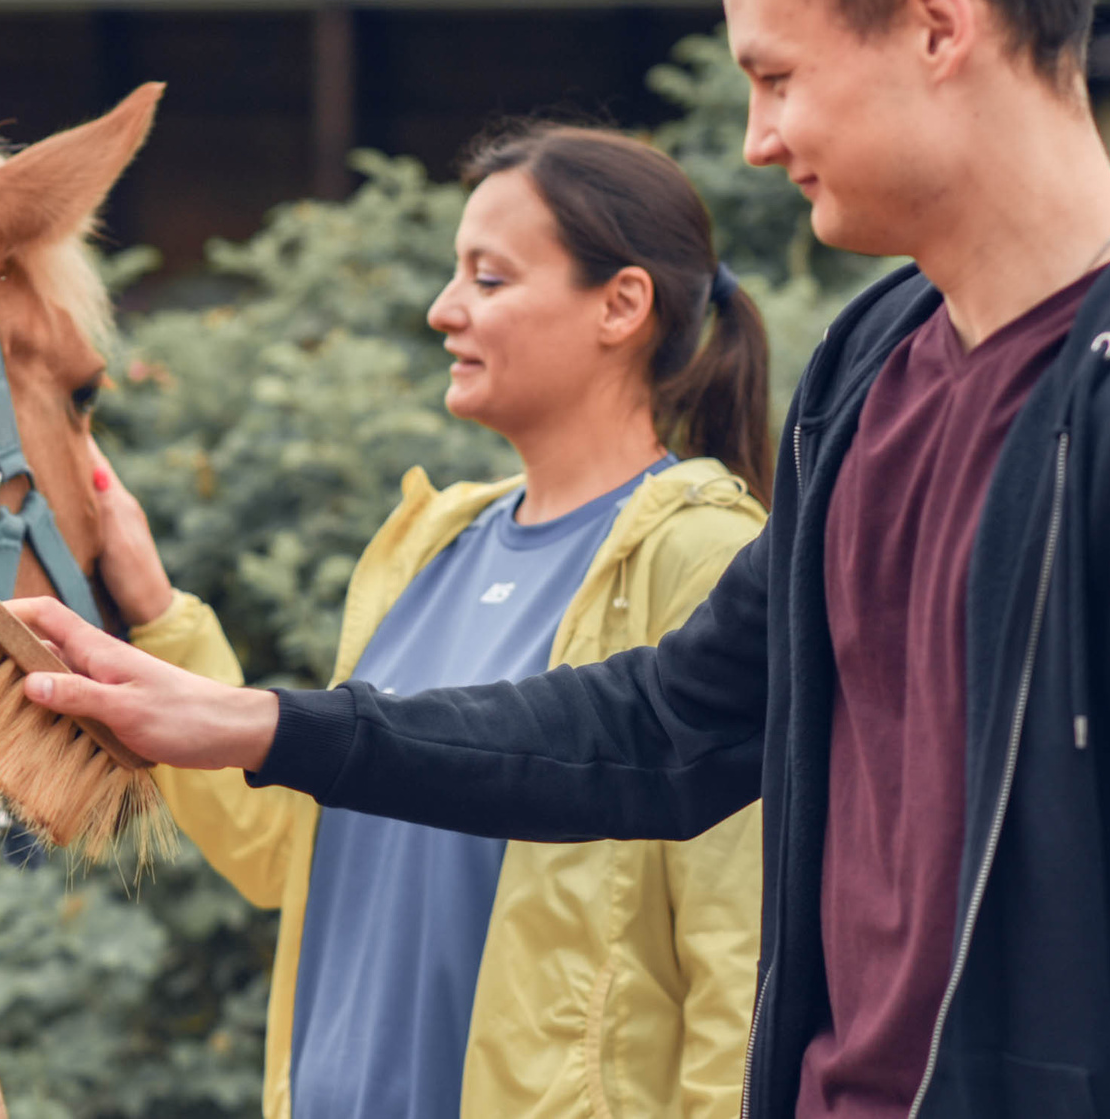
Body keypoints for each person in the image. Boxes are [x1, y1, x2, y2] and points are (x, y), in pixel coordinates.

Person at [23, 0, 1110, 1119]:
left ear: (936, 24)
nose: (757, 139)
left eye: (776, 76)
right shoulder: (872, 372)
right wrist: (258, 725)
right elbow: (666, 726)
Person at [89, 123, 772, 1119]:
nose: (443, 308)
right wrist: (156, 612)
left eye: (488, 278)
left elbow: (741, 954)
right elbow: (291, 852)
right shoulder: (425, 544)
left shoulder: (702, 555)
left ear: (622, 304)